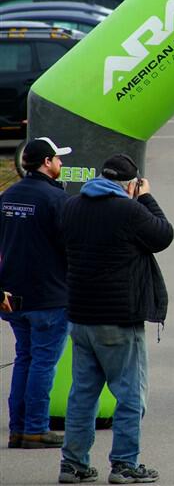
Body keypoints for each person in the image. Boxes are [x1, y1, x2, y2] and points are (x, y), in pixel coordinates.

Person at [59, 154, 174, 484]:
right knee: (130, 395)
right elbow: (163, 235)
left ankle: (73, 464)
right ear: (130, 183)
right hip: (119, 318)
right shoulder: (128, 209)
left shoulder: (73, 206)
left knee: (83, 395)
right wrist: (147, 197)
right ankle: (124, 464)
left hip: (81, 316)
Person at [0, 137, 71, 450]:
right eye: (58, 159)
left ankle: (18, 429)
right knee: (43, 362)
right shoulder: (57, 200)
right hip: (49, 297)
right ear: (46, 163)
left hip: (12, 296)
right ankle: (35, 429)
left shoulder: (8, 196)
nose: (61, 164)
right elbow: (70, 247)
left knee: (24, 359)